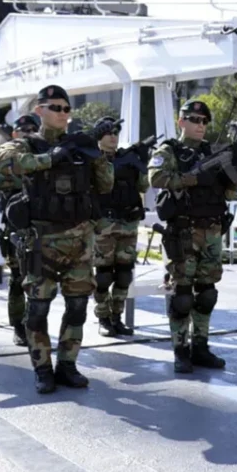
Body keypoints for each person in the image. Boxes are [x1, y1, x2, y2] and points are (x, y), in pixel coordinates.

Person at [0, 85, 114, 393]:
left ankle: (68, 366)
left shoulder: (81, 146)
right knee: (38, 309)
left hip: (79, 243)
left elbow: (106, 185)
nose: (63, 113)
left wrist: (96, 153)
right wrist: (52, 157)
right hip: (41, 242)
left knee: (77, 308)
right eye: (56, 107)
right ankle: (43, 368)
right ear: (40, 110)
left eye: (66, 109)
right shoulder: (26, 145)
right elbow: (4, 164)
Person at [149, 100, 237, 374]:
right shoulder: (169, 150)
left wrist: (236, 163)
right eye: (194, 119)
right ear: (181, 121)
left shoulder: (214, 153)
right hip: (183, 231)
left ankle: (201, 346)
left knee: (207, 293)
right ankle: (180, 350)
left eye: (204, 121)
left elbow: (231, 192)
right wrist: (193, 179)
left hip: (212, 230)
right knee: (182, 295)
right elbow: (156, 177)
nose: (200, 125)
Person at [0, 114, 39, 347]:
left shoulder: (42, 154)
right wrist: (25, 176)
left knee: (39, 281)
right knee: (18, 279)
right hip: (14, 230)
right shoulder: (4, 156)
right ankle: (18, 326)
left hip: (41, 228)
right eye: (22, 129)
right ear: (14, 134)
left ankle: (35, 324)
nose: (27, 132)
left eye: (31, 128)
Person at [93, 116, 147, 337]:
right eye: (108, 132)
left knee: (124, 275)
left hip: (128, 222)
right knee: (103, 275)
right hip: (104, 223)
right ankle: (103, 318)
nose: (113, 136)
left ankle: (117, 317)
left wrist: (143, 164)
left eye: (116, 132)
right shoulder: (92, 160)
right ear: (99, 136)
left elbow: (143, 186)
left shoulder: (128, 158)